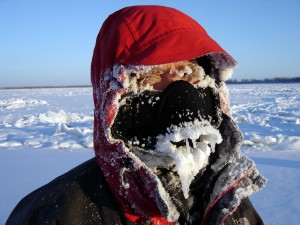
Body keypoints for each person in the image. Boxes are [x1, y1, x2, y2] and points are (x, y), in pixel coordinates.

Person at [6, 5, 267, 225]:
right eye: (151, 75)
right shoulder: (53, 214)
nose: (180, 90)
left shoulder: (227, 201)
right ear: (116, 96)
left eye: (187, 72)